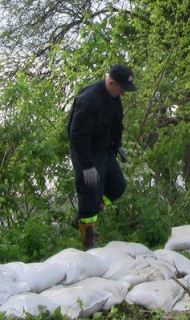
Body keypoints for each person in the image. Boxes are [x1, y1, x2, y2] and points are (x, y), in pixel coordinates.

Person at [67, 64, 136, 250]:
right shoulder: (88, 99)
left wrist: (118, 144)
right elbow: (77, 136)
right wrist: (87, 165)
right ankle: (88, 242)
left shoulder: (113, 96)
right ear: (111, 82)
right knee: (89, 194)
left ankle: (81, 218)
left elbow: (116, 122)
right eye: (122, 89)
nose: (123, 93)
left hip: (105, 150)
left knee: (117, 186)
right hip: (86, 152)